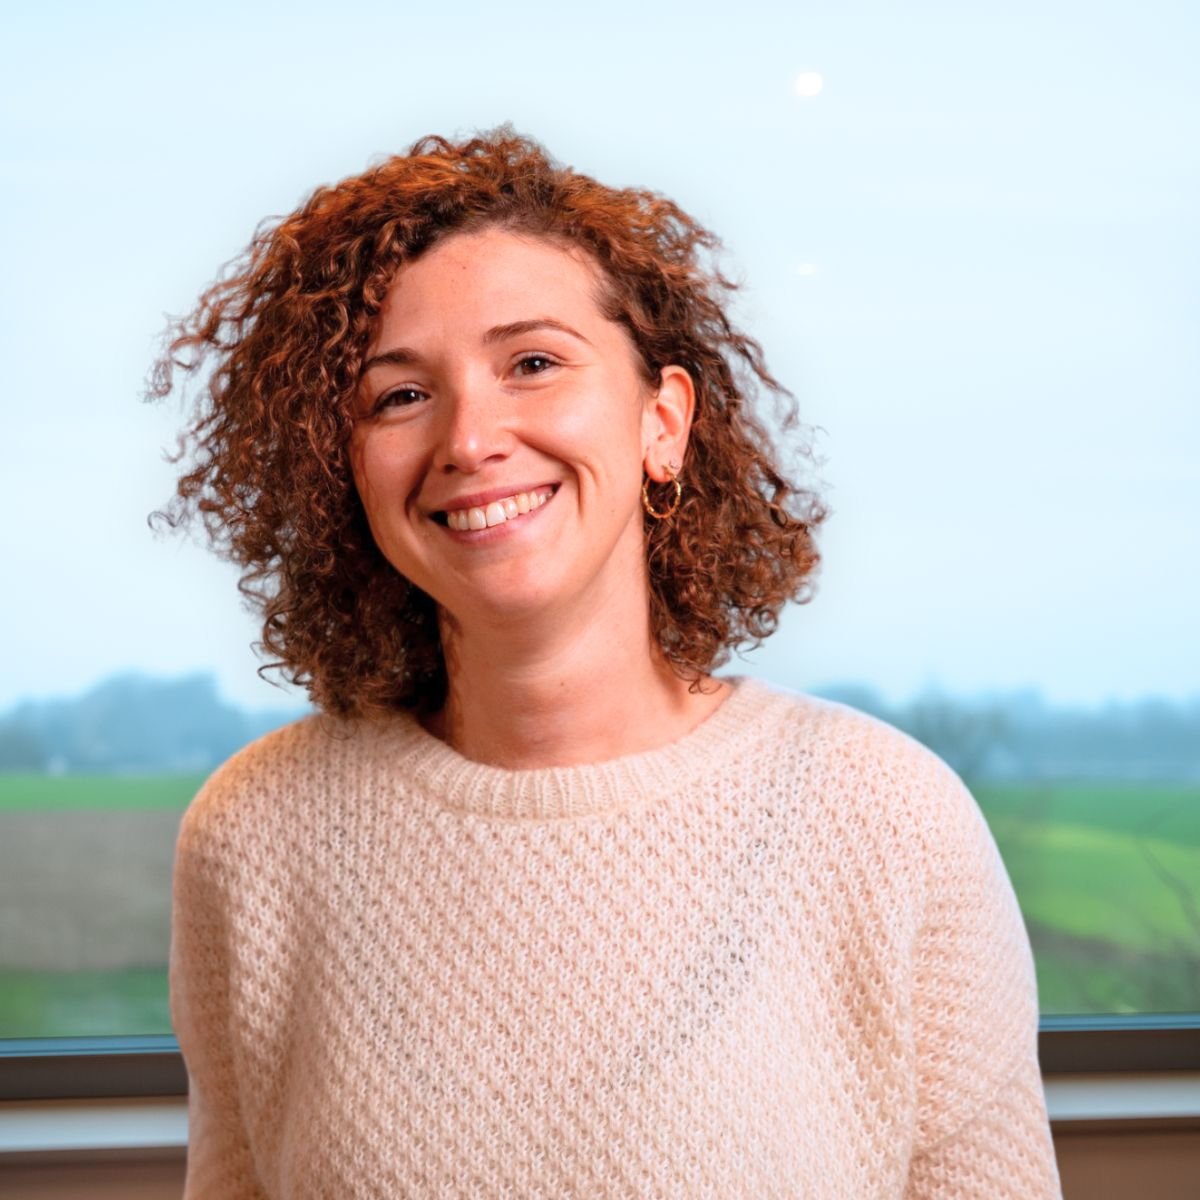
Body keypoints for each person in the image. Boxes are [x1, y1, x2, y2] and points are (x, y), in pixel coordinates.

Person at [156, 128, 1062, 1198]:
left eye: (533, 364)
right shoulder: (255, 834)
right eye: (399, 395)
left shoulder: (891, 820)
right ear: (341, 469)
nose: (470, 440)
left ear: (661, 422)